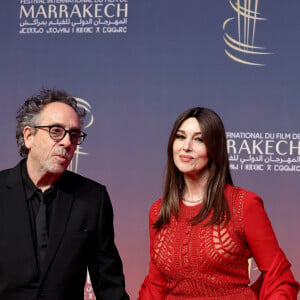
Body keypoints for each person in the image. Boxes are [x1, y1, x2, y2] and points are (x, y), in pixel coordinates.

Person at [139, 107, 299, 299]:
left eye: (199, 139)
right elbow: (156, 285)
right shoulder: (159, 210)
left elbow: (279, 277)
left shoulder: (244, 205)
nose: (186, 146)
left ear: (214, 148)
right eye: (180, 137)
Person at [0, 88, 130, 300]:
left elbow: (109, 285)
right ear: (29, 136)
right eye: (56, 131)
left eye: (74, 135)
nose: (67, 142)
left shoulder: (92, 198)